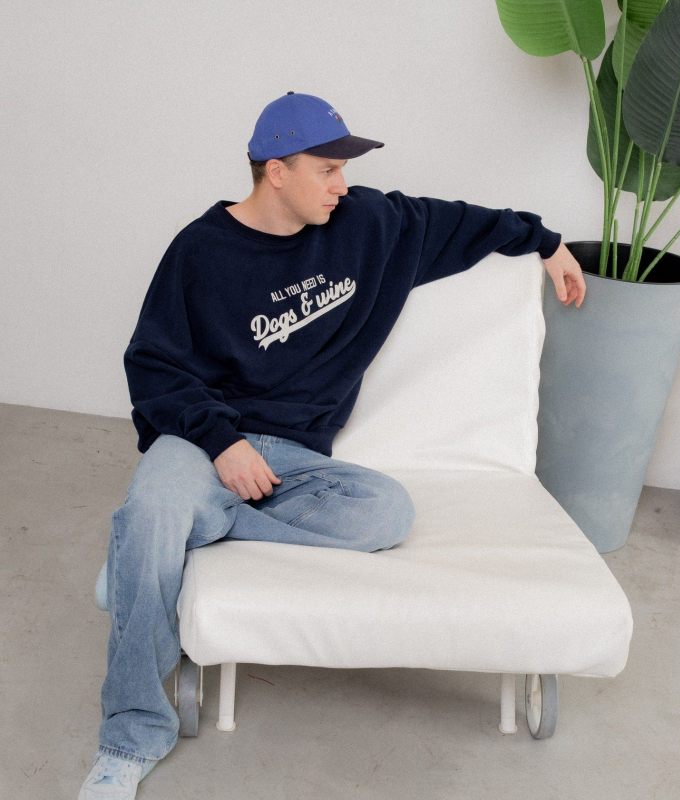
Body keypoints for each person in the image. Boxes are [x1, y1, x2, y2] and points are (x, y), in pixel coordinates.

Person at [79, 91, 585, 799]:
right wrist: (222, 443)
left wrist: (546, 243)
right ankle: (128, 738)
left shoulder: (368, 225)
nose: (341, 185)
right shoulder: (200, 251)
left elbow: (462, 221)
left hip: (294, 456)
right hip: (200, 442)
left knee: (385, 513)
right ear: (276, 172)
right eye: (327, 169)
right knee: (160, 504)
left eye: (344, 169)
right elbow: (153, 366)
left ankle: (154, 544)